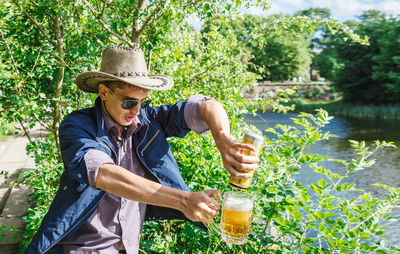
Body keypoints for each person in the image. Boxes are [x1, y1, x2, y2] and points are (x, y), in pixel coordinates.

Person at [25, 46, 259, 254]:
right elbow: (103, 174)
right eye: (128, 102)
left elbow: (206, 106)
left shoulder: (149, 121)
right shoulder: (77, 126)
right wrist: (183, 201)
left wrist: (222, 138)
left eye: (143, 101)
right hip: (80, 248)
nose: (136, 111)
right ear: (104, 92)